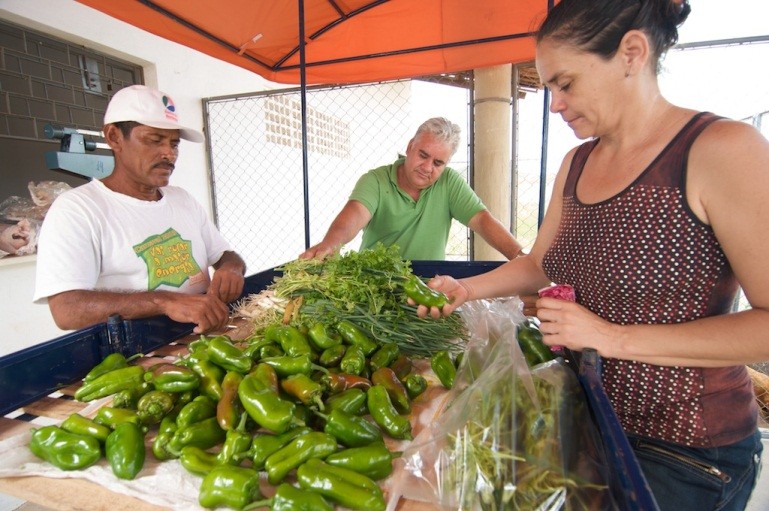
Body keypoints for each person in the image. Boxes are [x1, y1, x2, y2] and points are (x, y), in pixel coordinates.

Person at [416, 1, 768, 510]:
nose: (554, 103)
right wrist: (465, 289)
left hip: (685, 451)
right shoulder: (576, 163)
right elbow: (541, 263)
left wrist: (608, 337)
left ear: (631, 53)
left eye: (566, 83)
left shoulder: (720, 150)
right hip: (590, 420)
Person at [33, 85, 246, 335]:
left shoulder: (182, 200)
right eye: (154, 140)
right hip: (138, 356)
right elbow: (67, 310)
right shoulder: (78, 209)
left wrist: (231, 268)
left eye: (174, 144)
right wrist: (165, 301)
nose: (169, 153)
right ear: (114, 137)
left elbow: (226, 255)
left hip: (205, 341)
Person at [299, 117, 524, 261]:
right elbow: (354, 215)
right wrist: (330, 244)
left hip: (429, 285)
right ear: (410, 147)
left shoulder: (449, 182)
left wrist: (520, 257)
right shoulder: (376, 180)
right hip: (375, 284)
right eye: (423, 155)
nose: (427, 168)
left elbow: (482, 220)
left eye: (438, 163)